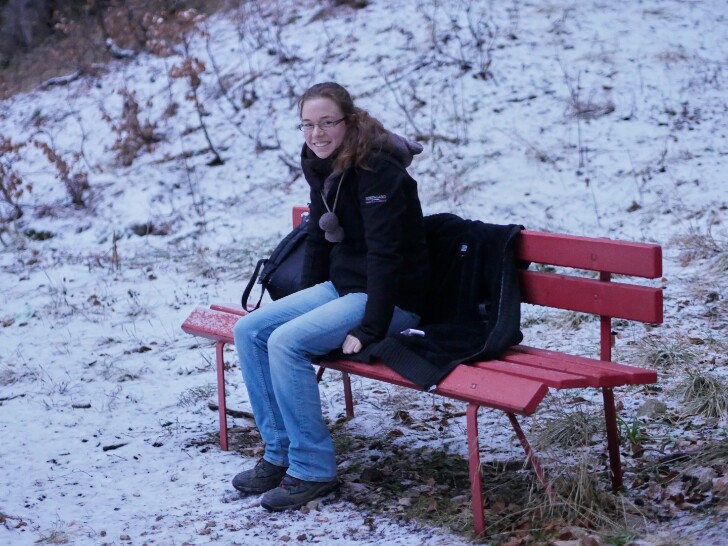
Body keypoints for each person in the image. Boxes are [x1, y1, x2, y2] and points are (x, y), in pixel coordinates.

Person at [231, 82, 430, 511]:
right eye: (307, 124)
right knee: (250, 330)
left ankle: (312, 469)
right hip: (345, 288)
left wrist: (372, 327)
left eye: (326, 123)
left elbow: (385, 256)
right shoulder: (322, 163)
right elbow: (319, 238)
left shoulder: (379, 170)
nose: (316, 134)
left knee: (286, 342)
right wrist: (304, 301)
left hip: (392, 298)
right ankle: (279, 451)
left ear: (349, 121)